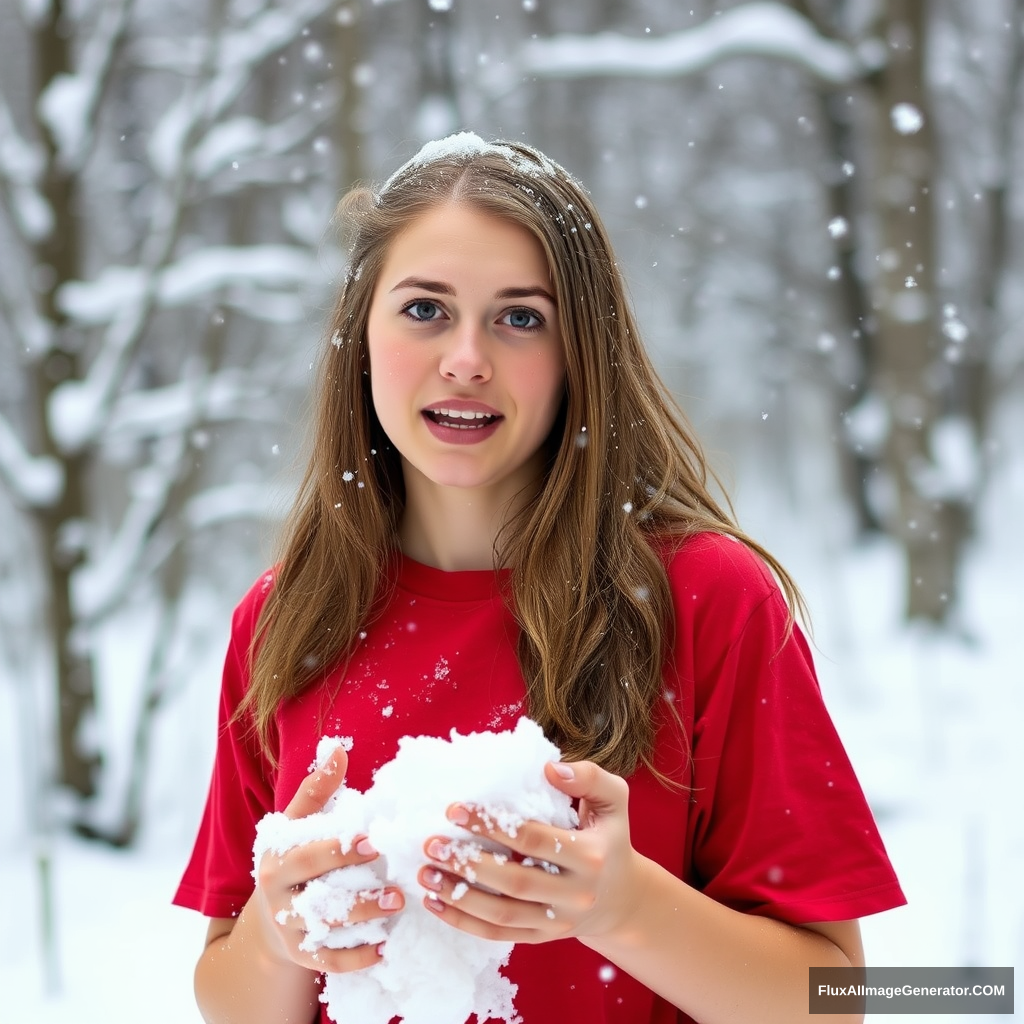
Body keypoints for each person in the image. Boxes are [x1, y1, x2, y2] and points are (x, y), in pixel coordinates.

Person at [174, 132, 905, 1024]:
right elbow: (229, 996)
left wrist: (624, 908)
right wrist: (277, 937)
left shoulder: (708, 598)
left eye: (521, 317)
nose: (467, 357)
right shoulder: (285, 617)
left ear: (578, 356)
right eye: (424, 310)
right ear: (359, 338)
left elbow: (835, 1000)